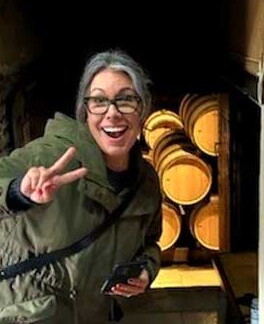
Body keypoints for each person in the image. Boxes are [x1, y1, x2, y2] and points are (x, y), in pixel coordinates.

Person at [0, 49, 162, 323]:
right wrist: (18, 192)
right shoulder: (50, 157)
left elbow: (149, 243)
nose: (112, 113)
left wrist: (146, 270)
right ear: (85, 111)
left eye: (126, 100)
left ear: (143, 109)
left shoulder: (145, 182)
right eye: (99, 101)